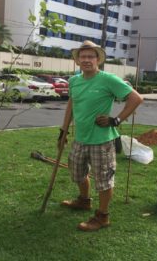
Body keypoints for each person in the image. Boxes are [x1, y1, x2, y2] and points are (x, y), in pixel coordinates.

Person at [58, 40, 143, 231]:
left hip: (101, 141)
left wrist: (116, 120)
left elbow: (136, 98)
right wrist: (63, 131)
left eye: (91, 56)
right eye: (83, 56)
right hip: (80, 138)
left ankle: (103, 216)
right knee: (77, 172)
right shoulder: (74, 81)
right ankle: (84, 201)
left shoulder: (108, 79)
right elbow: (72, 104)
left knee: (103, 179)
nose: (86, 60)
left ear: (98, 59)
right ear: (78, 60)